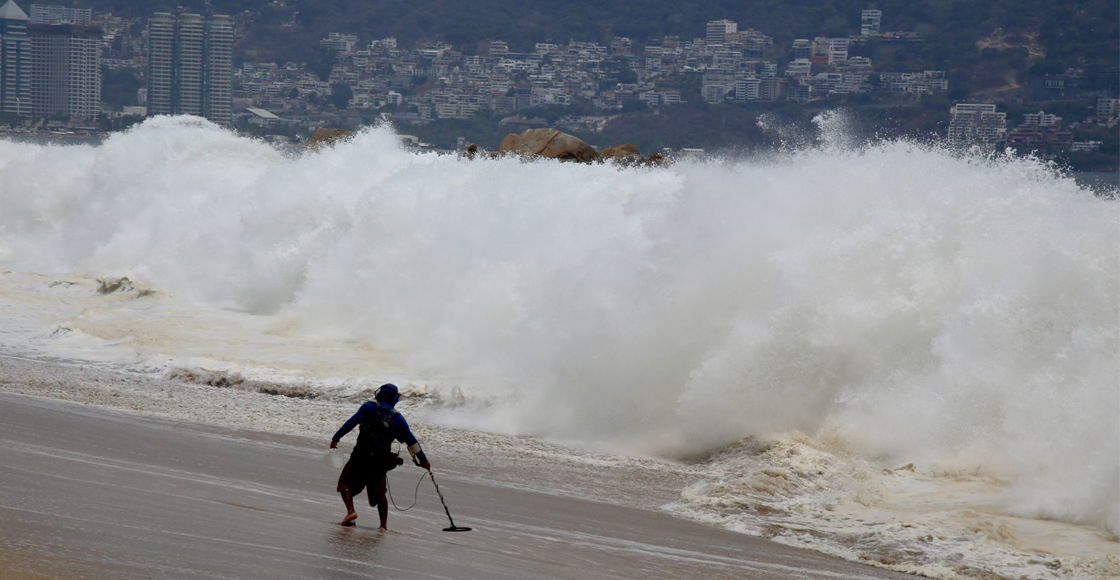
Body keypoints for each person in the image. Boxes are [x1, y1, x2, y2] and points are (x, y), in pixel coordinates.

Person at [330, 383, 430, 529]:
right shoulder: (398, 419)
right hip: (380, 461)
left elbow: (351, 422)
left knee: (345, 483)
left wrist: (336, 438)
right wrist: (424, 461)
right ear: (394, 398)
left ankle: (351, 512)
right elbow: (412, 442)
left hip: (360, 456)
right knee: (380, 494)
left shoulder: (368, 408)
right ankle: (383, 526)